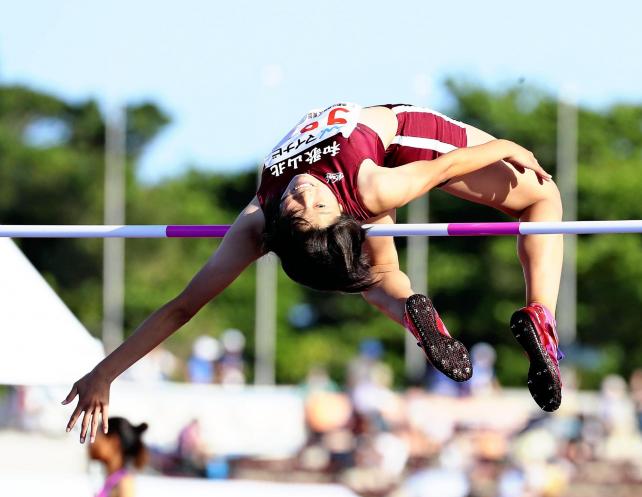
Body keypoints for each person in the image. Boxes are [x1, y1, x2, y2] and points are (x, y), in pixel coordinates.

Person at [62, 102, 564, 443]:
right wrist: (103, 375)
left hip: (391, 135)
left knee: (530, 200)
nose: (301, 191)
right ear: (343, 217)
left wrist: (503, 147)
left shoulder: (263, 217)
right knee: (541, 201)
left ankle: (427, 318)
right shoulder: (359, 194)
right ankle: (521, 317)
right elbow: (182, 307)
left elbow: (447, 167)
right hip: (376, 151)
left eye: (302, 201)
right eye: (309, 203)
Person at [88, 416, 148, 497]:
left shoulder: (124, 483)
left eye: (96, 436)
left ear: (114, 441)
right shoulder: (110, 481)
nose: (91, 442)